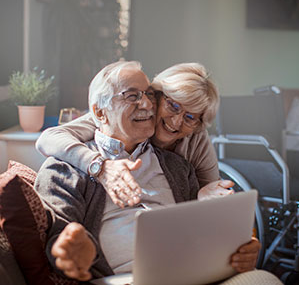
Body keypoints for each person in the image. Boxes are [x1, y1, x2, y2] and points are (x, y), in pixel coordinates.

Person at [35, 61, 260, 282]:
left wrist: (242, 247)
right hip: (126, 279)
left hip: (189, 274)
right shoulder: (66, 166)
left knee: (261, 279)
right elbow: (60, 235)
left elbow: (218, 225)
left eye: (148, 95)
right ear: (100, 113)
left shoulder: (181, 165)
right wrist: (73, 249)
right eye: (132, 95)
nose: (146, 104)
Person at [36, 62, 234, 208]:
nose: (176, 122)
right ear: (156, 94)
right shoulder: (119, 119)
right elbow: (49, 138)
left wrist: (207, 199)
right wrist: (100, 166)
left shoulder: (195, 139)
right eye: (173, 105)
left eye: (190, 117)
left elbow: (213, 198)